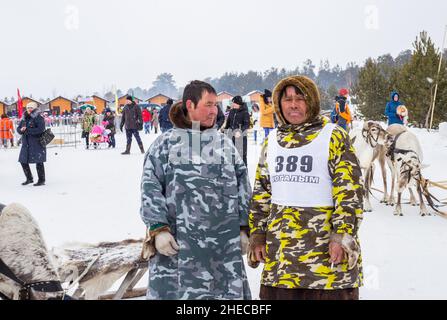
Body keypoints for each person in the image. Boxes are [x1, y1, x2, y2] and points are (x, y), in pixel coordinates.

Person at [248, 75, 364, 300]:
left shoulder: (333, 136)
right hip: (282, 263)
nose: (293, 104)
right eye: (287, 99)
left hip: (327, 264)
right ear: (278, 104)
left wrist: (342, 236)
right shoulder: (271, 141)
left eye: (300, 98)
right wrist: (258, 235)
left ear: (311, 101)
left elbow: (350, 193)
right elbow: (262, 193)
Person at [140, 80, 252, 300]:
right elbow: (150, 187)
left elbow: (243, 186)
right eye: (208, 104)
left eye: (216, 105)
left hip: (223, 250)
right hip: (178, 249)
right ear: (190, 105)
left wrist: (243, 226)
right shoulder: (165, 144)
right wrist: (158, 228)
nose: (215, 110)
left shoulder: (225, 144)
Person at [17, 102, 47, 186]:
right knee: (23, 161)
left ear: (34, 108)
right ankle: (29, 178)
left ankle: (41, 180)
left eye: (31, 107)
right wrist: (21, 130)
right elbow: (18, 128)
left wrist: (27, 130)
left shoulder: (38, 117)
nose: (29, 109)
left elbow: (41, 129)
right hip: (26, 143)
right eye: (28, 107)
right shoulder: (24, 117)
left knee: (39, 162)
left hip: (37, 143)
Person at [224, 96, 250, 165]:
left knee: (242, 156)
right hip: (232, 137)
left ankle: (244, 173)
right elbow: (228, 123)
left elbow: (247, 125)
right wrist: (224, 131)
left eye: (234, 103)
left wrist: (240, 132)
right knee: (232, 156)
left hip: (241, 138)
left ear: (238, 103)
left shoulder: (245, 112)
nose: (232, 104)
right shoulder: (232, 111)